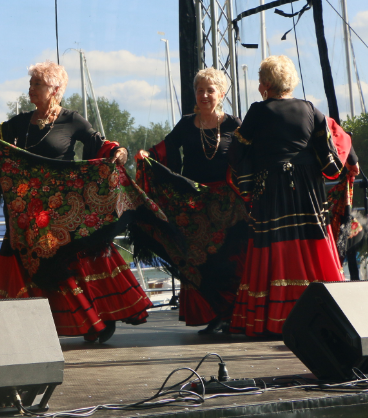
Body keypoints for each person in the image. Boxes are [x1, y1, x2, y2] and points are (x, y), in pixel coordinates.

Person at [0, 61, 151, 343]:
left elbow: (99, 144)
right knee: (32, 263)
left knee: (73, 260)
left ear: (55, 89)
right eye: (31, 83)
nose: (31, 88)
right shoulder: (20, 123)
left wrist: (118, 151)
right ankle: (32, 326)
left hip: (63, 209)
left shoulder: (72, 119)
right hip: (28, 212)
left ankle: (97, 319)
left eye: (38, 84)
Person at [228, 55, 351, 337]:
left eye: (260, 80)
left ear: (266, 83)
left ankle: (274, 318)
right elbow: (329, 155)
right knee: (312, 240)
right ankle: (325, 313)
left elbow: (237, 151)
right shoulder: (310, 108)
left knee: (274, 246)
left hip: (272, 187)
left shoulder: (258, 111)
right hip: (308, 187)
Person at [135, 67, 247, 334]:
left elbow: (250, 155)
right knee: (197, 262)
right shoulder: (186, 124)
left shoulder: (234, 124)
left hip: (228, 208)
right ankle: (214, 314)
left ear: (221, 94)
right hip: (193, 206)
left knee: (228, 261)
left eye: (210, 90)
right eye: (200, 90)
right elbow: (165, 149)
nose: (204, 95)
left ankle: (233, 315)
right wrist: (147, 155)